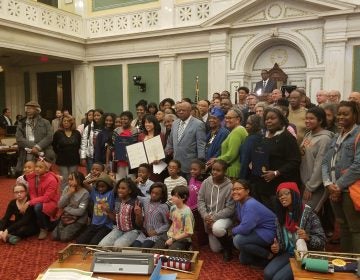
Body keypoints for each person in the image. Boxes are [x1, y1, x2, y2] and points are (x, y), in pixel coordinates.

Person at [264, 182, 326, 280]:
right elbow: (283, 243)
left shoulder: (309, 214)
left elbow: (322, 241)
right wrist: (277, 247)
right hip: (289, 253)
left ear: (294, 194)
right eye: (280, 195)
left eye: (286, 193)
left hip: (305, 255)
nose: (282, 197)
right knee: (267, 273)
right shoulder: (280, 216)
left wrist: (308, 237)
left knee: (278, 278)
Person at [322, 100, 360, 252]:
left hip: (349, 190)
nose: (341, 117)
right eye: (339, 114)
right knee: (342, 226)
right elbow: (325, 162)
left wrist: (338, 186)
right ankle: (347, 262)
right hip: (333, 189)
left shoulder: (357, 135)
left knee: (355, 229)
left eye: (345, 114)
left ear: (355, 115)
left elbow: (358, 166)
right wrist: (328, 183)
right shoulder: (336, 136)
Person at [251, 107, 301, 211]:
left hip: (279, 185)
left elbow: (295, 161)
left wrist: (276, 173)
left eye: (272, 118)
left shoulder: (287, 137)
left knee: (278, 215)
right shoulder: (262, 136)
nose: (268, 121)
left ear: (281, 120)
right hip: (262, 185)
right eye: (266, 119)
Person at [232, 179, 276, 266]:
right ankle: (265, 259)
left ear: (247, 191)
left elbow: (245, 228)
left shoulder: (250, 204)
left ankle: (269, 255)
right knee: (244, 259)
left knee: (238, 240)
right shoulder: (239, 202)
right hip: (256, 230)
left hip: (269, 232)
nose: (235, 192)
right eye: (233, 189)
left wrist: (233, 230)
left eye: (238, 189)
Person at [198, 159, 235, 261]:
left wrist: (213, 218)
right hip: (208, 218)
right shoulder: (206, 182)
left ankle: (228, 248)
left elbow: (230, 209)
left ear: (224, 172)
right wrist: (205, 216)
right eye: (213, 169)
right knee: (216, 249)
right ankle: (228, 240)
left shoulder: (230, 186)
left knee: (217, 228)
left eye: (218, 170)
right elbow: (200, 201)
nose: (214, 172)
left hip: (224, 218)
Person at [300, 107, 333, 213]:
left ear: (320, 120)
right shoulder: (308, 134)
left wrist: (310, 187)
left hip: (315, 186)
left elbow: (320, 165)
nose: (307, 121)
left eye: (311, 118)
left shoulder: (325, 139)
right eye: (306, 118)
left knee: (309, 216)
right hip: (304, 182)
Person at [165, 101, 206, 178]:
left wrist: (200, 163)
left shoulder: (198, 124)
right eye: (178, 110)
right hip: (176, 165)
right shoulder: (175, 123)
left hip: (190, 166)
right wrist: (164, 154)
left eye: (183, 110)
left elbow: (201, 144)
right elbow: (170, 142)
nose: (180, 112)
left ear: (190, 111)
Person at [23, 158, 60, 240]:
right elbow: (32, 192)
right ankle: (34, 225)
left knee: (37, 207)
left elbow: (47, 198)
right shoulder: (33, 177)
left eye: (40, 167)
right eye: (36, 166)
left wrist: (31, 202)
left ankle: (43, 228)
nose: (37, 169)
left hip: (51, 202)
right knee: (28, 203)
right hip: (39, 200)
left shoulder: (51, 180)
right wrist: (32, 201)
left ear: (46, 169)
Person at [98, 178, 142, 247]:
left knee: (117, 246)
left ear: (130, 190)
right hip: (119, 229)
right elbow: (116, 218)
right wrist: (108, 211)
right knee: (102, 245)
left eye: (123, 188)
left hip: (133, 231)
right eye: (119, 188)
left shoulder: (135, 202)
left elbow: (139, 224)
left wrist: (138, 215)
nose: (119, 190)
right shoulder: (118, 200)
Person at [15, 101, 55, 175]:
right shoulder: (21, 123)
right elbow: (19, 139)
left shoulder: (45, 122)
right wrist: (33, 147)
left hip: (44, 153)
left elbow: (49, 137)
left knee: (44, 175)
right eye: (27, 109)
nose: (28, 111)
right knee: (28, 176)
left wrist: (38, 147)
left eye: (30, 109)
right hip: (27, 153)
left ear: (37, 110)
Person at [207, 108, 248, 178]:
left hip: (233, 171)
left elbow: (231, 154)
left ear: (238, 119)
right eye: (226, 118)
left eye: (229, 118)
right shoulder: (236, 130)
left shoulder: (237, 131)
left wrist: (216, 159)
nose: (226, 120)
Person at [76, 173, 115, 245]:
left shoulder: (111, 194)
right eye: (99, 186)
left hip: (106, 225)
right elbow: (84, 182)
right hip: (94, 224)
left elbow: (118, 184)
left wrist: (109, 179)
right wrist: (98, 178)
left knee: (93, 243)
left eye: (103, 186)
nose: (100, 188)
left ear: (108, 186)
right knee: (80, 241)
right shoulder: (95, 192)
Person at [52, 171, 90, 241]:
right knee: (54, 236)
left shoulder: (85, 193)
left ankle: (82, 229)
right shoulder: (67, 189)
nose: (69, 181)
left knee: (64, 238)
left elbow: (80, 212)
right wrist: (69, 193)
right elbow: (60, 205)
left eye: (71, 179)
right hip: (66, 217)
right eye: (68, 179)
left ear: (79, 180)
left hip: (78, 219)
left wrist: (66, 208)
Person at [154, 185, 195, 250]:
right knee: (155, 250)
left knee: (171, 254)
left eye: (176, 196)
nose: (172, 198)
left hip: (182, 239)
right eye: (172, 195)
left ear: (183, 198)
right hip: (169, 234)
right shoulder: (173, 208)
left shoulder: (186, 213)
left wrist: (172, 239)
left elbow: (188, 233)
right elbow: (172, 222)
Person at [132, 182, 170, 248]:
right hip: (144, 232)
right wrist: (135, 183)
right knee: (136, 246)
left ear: (162, 195)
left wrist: (156, 231)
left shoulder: (164, 206)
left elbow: (167, 224)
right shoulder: (146, 200)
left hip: (156, 234)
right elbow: (135, 194)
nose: (153, 195)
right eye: (152, 192)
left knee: (145, 246)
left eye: (157, 194)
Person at [106, 111, 139, 181]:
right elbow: (111, 146)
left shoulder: (136, 131)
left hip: (131, 163)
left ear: (130, 120)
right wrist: (115, 152)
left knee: (131, 182)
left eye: (125, 119)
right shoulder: (116, 130)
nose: (123, 121)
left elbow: (137, 146)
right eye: (122, 119)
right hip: (118, 162)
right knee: (119, 182)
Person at [52, 115, 81, 190]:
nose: (66, 123)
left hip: (74, 159)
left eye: (68, 121)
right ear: (62, 122)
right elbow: (54, 145)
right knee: (64, 178)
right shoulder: (58, 133)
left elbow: (79, 145)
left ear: (71, 123)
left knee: (73, 178)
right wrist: (59, 153)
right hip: (62, 159)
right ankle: (64, 195)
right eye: (64, 121)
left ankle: (73, 193)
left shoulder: (77, 133)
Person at [187, 159, 207, 247]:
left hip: (198, 208)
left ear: (202, 170)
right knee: (192, 225)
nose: (192, 171)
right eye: (191, 169)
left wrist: (196, 207)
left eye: (195, 169)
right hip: (190, 207)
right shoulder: (191, 179)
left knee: (200, 226)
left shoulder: (204, 183)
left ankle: (202, 242)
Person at [239, 114, 263, 179]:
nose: (247, 126)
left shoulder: (252, 139)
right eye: (247, 123)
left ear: (257, 125)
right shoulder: (259, 136)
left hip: (248, 175)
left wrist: (241, 178)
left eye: (250, 124)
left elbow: (245, 161)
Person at [80, 108, 104, 173]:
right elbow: (83, 143)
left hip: (102, 156)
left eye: (98, 115)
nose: (96, 117)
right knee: (91, 174)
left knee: (101, 175)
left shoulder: (105, 127)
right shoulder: (89, 127)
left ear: (102, 116)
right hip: (91, 156)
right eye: (94, 115)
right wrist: (83, 157)